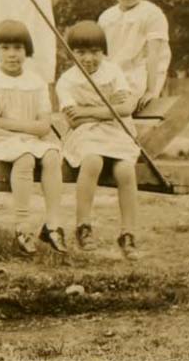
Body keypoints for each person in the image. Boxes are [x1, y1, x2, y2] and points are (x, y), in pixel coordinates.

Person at [55, 20, 140, 260]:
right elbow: (73, 121)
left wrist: (87, 111)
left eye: (95, 51)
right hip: (85, 134)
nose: (89, 58)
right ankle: (83, 226)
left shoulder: (113, 72)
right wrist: (107, 109)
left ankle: (128, 233)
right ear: (71, 53)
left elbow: (126, 108)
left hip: (116, 132)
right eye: (81, 52)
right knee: (92, 160)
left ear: (104, 52)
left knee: (125, 170)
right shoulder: (67, 81)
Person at [0, 20, 67, 255]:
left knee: (52, 155)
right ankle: (22, 225)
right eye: (5, 48)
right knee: (26, 157)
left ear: (27, 50)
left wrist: (8, 124)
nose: (12, 54)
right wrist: (16, 134)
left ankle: (52, 224)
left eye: (18, 48)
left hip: (29, 139)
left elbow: (44, 127)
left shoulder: (36, 82)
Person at [98, 0, 171, 112]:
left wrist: (151, 91)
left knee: (122, 105)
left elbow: (154, 56)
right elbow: (102, 55)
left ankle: (93, 114)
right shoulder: (106, 17)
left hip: (141, 74)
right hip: (113, 73)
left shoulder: (152, 14)